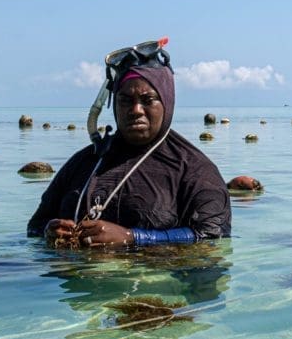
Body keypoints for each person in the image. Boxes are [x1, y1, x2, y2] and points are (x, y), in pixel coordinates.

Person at [27, 38, 231, 247]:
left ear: (167, 103)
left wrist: (133, 237)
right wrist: (48, 231)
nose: (135, 110)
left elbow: (213, 235)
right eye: (125, 100)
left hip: (153, 275)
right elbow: (34, 226)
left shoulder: (195, 170)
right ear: (114, 104)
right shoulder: (84, 162)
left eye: (147, 100)